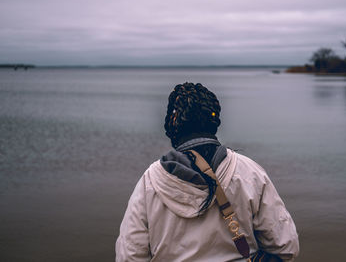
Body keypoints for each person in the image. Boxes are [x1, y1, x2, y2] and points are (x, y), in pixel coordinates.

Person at [116, 82, 299, 261]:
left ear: (173, 125)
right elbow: (286, 247)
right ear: (214, 121)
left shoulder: (150, 181)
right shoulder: (249, 173)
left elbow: (129, 256)